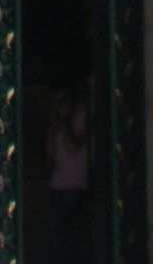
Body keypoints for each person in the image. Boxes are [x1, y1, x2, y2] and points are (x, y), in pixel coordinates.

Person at [46, 89, 94, 263]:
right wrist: (53, 128)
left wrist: (65, 123)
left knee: (62, 227)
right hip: (57, 184)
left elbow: (73, 147)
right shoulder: (57, 123)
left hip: (75, 185)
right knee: (56, 229)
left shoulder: (80, 116)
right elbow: (50, 153)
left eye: (62, 102)